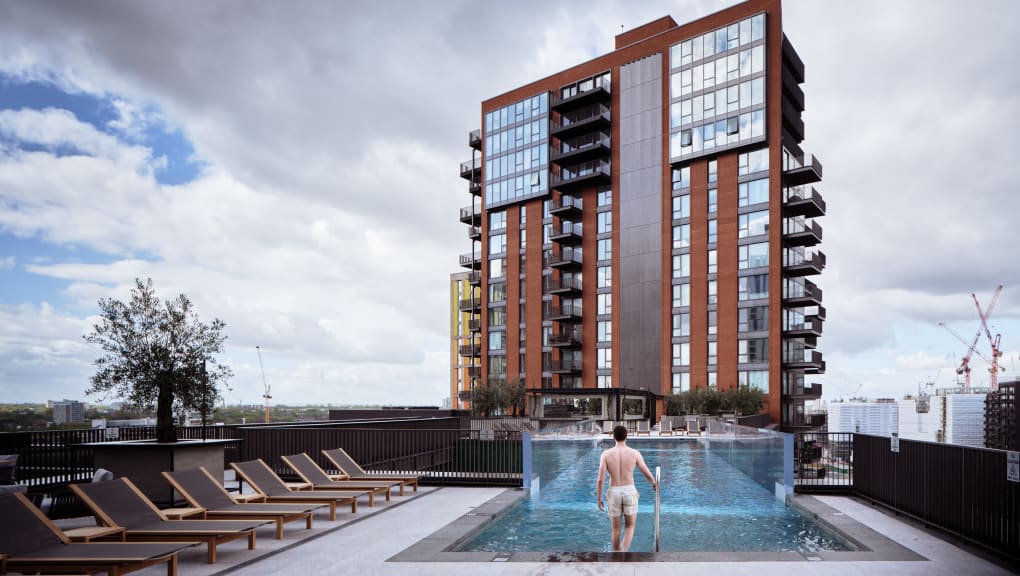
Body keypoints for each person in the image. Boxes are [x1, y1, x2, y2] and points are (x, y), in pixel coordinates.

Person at [596, 424, 657, 552]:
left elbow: (600, 479)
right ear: (626, 436)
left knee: (616, 528)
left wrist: (599, 498)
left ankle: (616, 555)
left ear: (613, 437)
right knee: (630, 526)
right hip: (629, 491)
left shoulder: (606, 454)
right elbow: (645, 471)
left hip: (614, 492)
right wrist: (653, 483)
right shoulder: (634, 453)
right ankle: (624, 552)